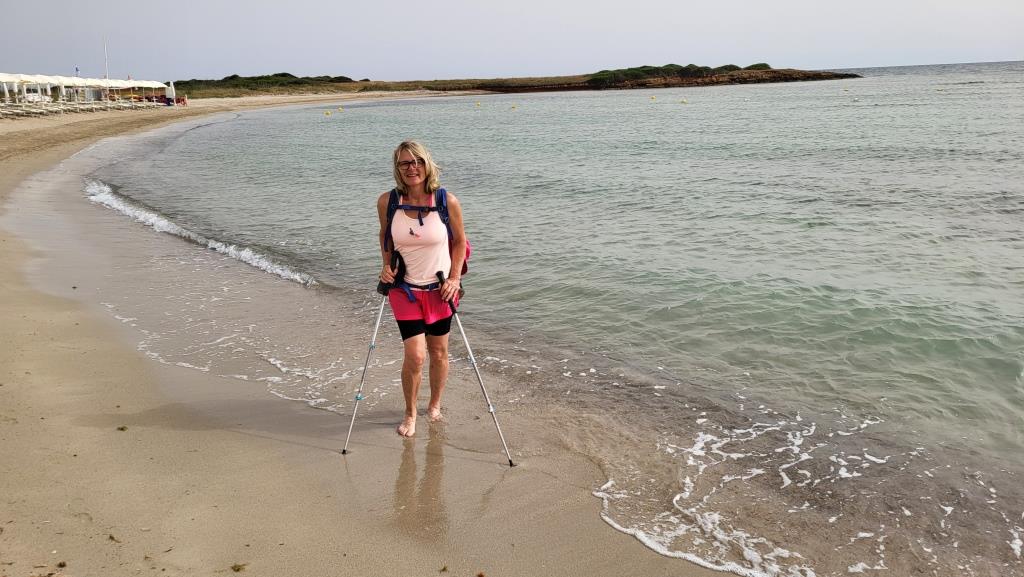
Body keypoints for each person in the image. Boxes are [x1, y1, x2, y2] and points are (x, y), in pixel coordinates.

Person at [377, 141, 466, 438]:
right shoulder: (388, 202)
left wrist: (454, 279)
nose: (412, 168)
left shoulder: (446, 201)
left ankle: (435, 404)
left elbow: (459, 242)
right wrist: (386, 265)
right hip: (404, 290)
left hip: (440, 290)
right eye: (405, 163)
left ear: (428, 165)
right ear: (397, 168)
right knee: (416, 356)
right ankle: (410, 412)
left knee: (438, 352)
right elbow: (385, 237)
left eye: (417, 161)